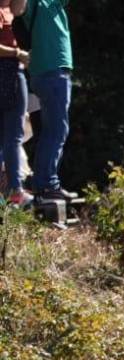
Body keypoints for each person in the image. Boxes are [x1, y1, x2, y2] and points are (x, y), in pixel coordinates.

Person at [18, 0, 72, 201]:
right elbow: (17, 8)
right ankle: (47, 183)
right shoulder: (35, 3)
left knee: (53, 129)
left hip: (50, 71)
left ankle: (44, 181)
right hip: (51, 70)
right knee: (57, 129)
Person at [0, 0, 28, 206]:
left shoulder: (9, 9)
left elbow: (20, 7)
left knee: (8, 134)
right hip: (8, 71)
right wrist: (17, 53)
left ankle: (11, 189)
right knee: (13, 134)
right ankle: (15, 190)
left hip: (9, 70)